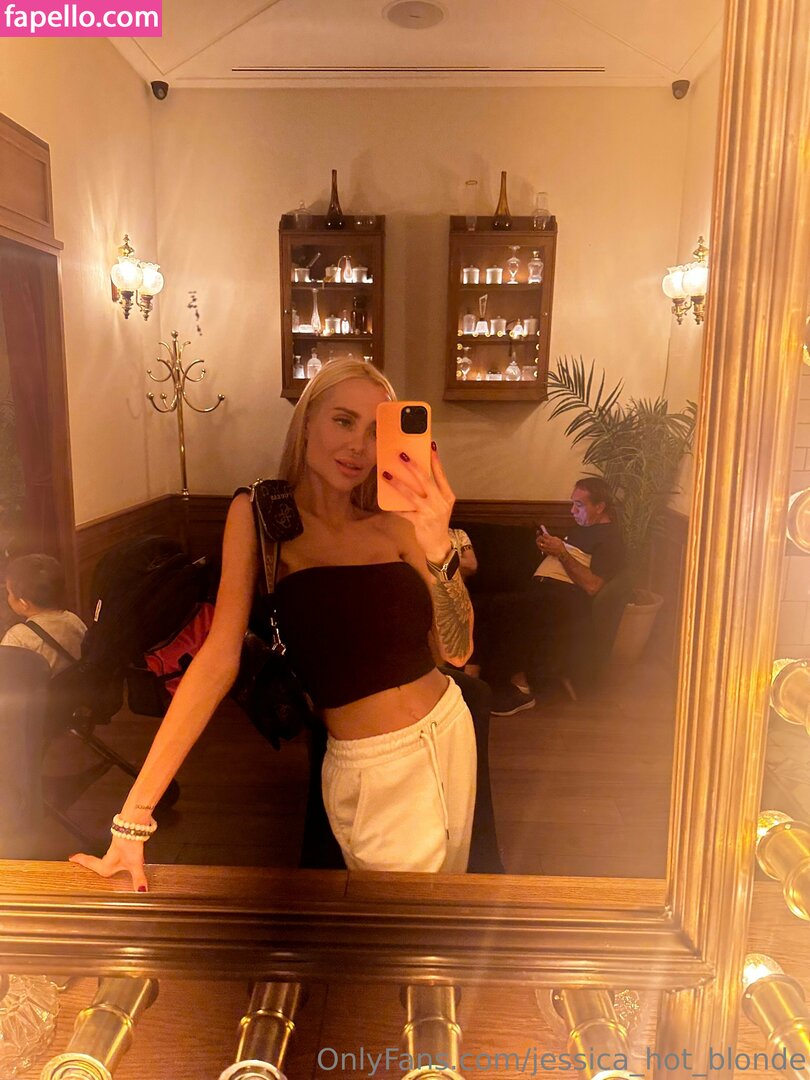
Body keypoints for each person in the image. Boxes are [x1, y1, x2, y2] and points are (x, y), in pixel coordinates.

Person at [70, 359, 477, 890]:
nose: (359, 446)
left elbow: (457, 650)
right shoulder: (264, 517)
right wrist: (135, 815)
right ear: (307, 422)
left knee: (443, 912)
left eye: (377, 431)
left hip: (450, 732)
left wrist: (441, 548)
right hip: (375, 767)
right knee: (403, 924)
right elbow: (217, 660)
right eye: (344, 421)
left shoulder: (397, 524)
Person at [477, 478, 625, 716]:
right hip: (544, 590)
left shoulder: (610, 538)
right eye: (572, 503)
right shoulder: (581, 529)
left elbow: (593, 585)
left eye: (579, 505)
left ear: (600, 506)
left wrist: (562, 553)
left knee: (503, 607)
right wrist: (548, 549)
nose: (572, 511)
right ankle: (477, 680)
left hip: (567, 599)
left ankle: (519, 689)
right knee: (486, 602)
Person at [2, 554, 87, 674]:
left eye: (9, 593)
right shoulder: (73, 620)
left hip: (44, 687)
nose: (8, 597)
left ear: (23, 603)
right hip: (76, 684)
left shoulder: (17, 637)